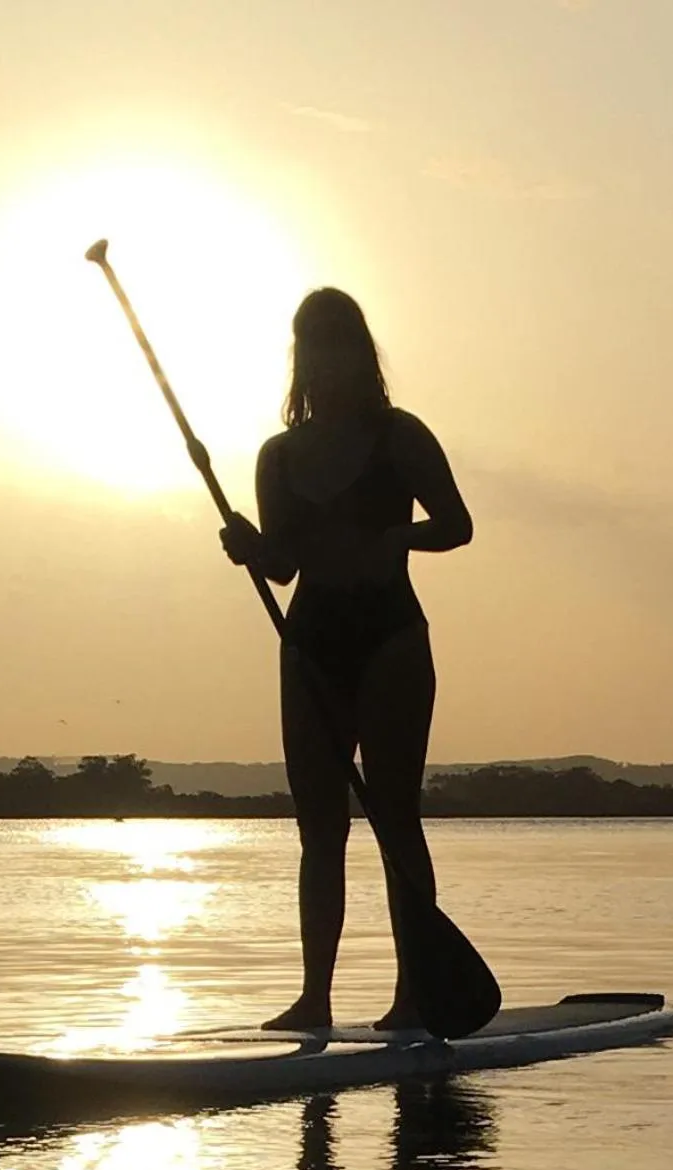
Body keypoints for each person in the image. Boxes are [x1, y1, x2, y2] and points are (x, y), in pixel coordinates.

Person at [219, 288, 474, 1031]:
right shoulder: (278, 456)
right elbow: (283, 568)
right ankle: (314, 998)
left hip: (390, 639)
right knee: (318, 830)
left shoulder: (400, 437)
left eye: (336, 339)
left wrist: (398, 539)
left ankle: (413, 996)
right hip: (310, 647)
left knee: (396, 819)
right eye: (311, 340)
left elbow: (456, 526)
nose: (323, 354)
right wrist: (250, 547)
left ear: (360, 350)